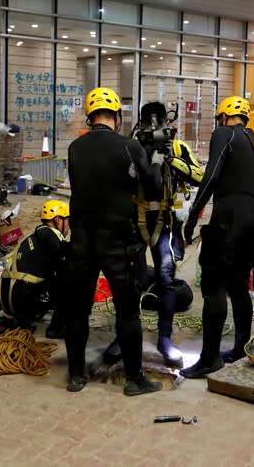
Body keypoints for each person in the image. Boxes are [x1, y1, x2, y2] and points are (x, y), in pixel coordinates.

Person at [62, 86, 164, 396]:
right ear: (117, 117)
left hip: (81, 240)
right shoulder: (129, 147)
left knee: (78, 310)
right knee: (127, 311)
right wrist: (157, 159)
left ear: (90, 117)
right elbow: (155, 187)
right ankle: (134, 380)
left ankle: (77, 376)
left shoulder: (75, 148)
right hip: (118, 241)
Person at [181, 96, 254, 378]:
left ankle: (209, 358)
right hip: (249, 223)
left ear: (223, 117)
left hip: (227, 219)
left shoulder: (224, 134)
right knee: (238, 287)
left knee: (214, 288)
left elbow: (211, 176)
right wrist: (251, 206)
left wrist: (193, 215)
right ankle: (240, 348)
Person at [104, 102, 203, 368]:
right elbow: (116, 181)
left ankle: (165, 338)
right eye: (148, 124)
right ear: (141, 123)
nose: (154, 129)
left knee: (166, 278)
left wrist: (171, 158)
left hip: (166, 223)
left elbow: (199, 176)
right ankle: (124, 337)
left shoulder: (178, 147)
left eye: (159, 124)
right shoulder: (130, 145)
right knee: (128, 281)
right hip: (134, 222)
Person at [0, 200, 70, 337]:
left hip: (8, 300)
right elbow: (67, 258)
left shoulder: (38, 235)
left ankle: (45, 306)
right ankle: (56, 329)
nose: (69, 227)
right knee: (71, 279)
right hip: (21, 303)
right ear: (58, 219)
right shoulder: (49, 234)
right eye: (68, 221)